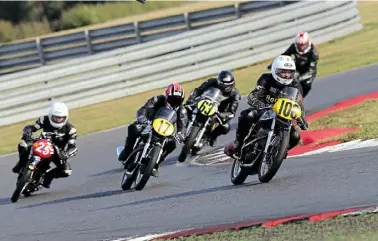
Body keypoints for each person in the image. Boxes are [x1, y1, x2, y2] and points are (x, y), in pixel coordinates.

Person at [225, 55, 308, 158]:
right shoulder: (266, 79)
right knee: (246, 115)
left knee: (295, 136)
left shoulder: (296, 85)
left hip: (283, 116)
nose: (286, 76)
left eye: (289, 73)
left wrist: (302, 118)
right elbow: (253, 95)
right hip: (264, 110)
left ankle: (280, 151)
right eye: (283, 72)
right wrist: (259, 103)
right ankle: (238, 143)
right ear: (275, 71)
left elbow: (299, 104)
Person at [118, 83, 187, 177]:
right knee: (133, 128)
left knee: (172, 144)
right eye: (172, 99)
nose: (174, 102)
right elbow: (143, 109)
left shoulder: (182, 110)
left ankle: (156, 164)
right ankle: (127, 152)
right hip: (149, 123)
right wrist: (142, 117)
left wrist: (181, 134)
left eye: (178, 100)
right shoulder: (157, 99)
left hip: (165, 131)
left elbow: (183, 125)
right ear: (166, 96)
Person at [12, 102, 78, 189]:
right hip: (41, 143)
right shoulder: (44, 119)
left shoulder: (70, 130)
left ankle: (47, 179)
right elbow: (32, 127)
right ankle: (21, 164)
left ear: (66, 117)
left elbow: (72, 146)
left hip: (56, 152)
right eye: (56, 117)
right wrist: (27, 132)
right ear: (50, 115)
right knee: (23, 144)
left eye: (61, 118)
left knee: (67, 171)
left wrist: (65, 154)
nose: (58, 120)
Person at [184, 70, 241, 146]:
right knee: (186, 108)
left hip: (219, 111)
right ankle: (183, 128)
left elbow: (232, 112)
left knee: (226, 127)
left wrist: (223, 115)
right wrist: (190, 99)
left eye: (227, 85)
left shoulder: (235, 94)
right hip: (205, 102)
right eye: (222, 85)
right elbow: (198, 90)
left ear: (232, 84)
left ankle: (213, 137)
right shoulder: (212, 81)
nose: (224, 87)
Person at [268, 31, 319, 97]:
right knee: (284, 77)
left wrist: (299, 78)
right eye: (299, 45)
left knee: (306, 86)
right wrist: (273, 64)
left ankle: (299, 100)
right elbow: (284, 55)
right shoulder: (293, 47)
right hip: (296, 68)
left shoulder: (314, 54)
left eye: (303, 45)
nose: (301, 48)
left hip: (307, 73)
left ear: (308, 43)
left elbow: (311, 71)